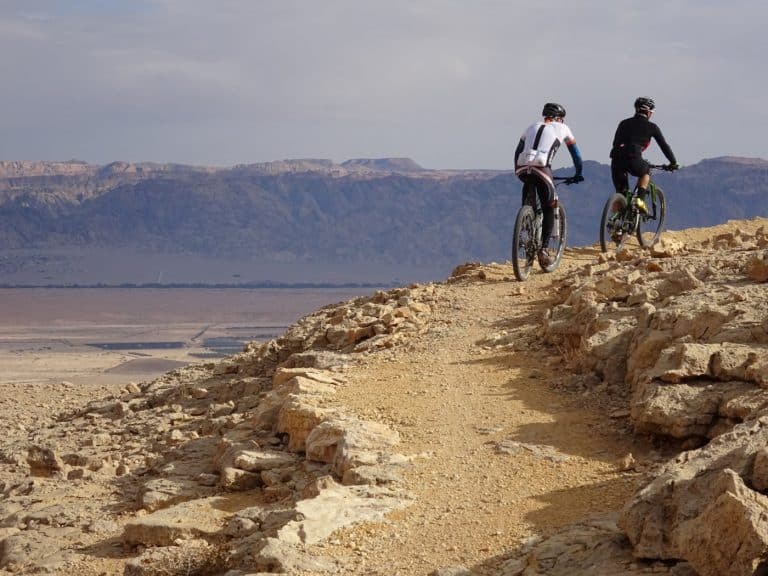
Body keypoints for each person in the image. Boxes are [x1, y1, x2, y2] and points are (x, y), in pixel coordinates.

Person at [514, 102, 583, 266]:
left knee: (530, 191)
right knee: (549, 206)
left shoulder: (531, 126)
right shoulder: (563, 128)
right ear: (560, 118)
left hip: (522, 167)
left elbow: (518, 151)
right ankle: (543, 249)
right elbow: (576, 154)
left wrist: (518, 169)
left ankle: (526, 223)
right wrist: (578, 172)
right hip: (542, 168)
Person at [610, 96, 680, 214]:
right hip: (633, 158)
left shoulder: (623, 123)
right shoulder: (652, 127)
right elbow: (664, 146)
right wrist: (673, 162)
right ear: (648, 112)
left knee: (621, 194)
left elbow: (615, 143)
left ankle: (615, 223)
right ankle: (640, 199)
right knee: (645, 171)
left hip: (616, 159)